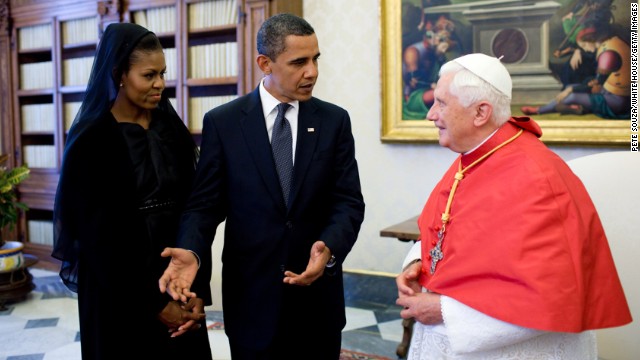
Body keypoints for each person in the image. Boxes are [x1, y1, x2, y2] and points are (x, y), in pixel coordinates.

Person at [396, 53, 632, 359]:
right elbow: (446, 227)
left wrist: (444, 309)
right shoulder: (476, 155)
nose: (430, 114)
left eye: (441, 103)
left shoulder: (538, 178)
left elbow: (552, 295)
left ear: (481, 112)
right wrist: (418, 262)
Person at [157, 13, 365, 360]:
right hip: (251, 298)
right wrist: (192, 250)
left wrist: (329, 247)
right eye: (299, 62)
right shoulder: (223, 123)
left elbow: (347, 201)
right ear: (264, 63)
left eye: (315, 59)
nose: (312, 71)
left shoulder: (333, 121)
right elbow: (205, 204)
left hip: (317, 301)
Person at [51, 23, 212, 360]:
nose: (160, 84)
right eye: (148, 75)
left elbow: (195, 209)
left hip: (177, 279)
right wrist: (154, 303)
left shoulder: (172, 130)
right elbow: (98, 239)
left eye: (163, 73)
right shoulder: (91, 141)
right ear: (119, 74)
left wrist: (195, 290)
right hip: (119, 289)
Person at [522, 21, 630, 119]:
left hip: (618, 101)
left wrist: (570, 91)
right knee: (571, 87)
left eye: (583, 45)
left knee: (572, 95)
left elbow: (597, 82)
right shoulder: (612, 42)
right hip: (610, 92)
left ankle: (538, 111)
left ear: (590, 40)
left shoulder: (607, 54)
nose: (584, 49)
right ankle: (577, 108)